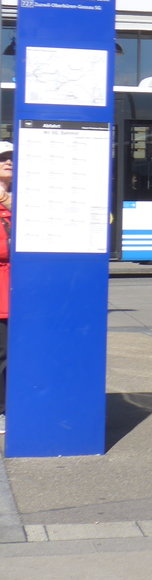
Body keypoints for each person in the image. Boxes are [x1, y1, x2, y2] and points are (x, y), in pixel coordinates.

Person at [0, 140, 11, 424]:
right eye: (3, 158)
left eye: (12, 157)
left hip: (20, 293)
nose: (9, 162)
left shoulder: (26, 197)